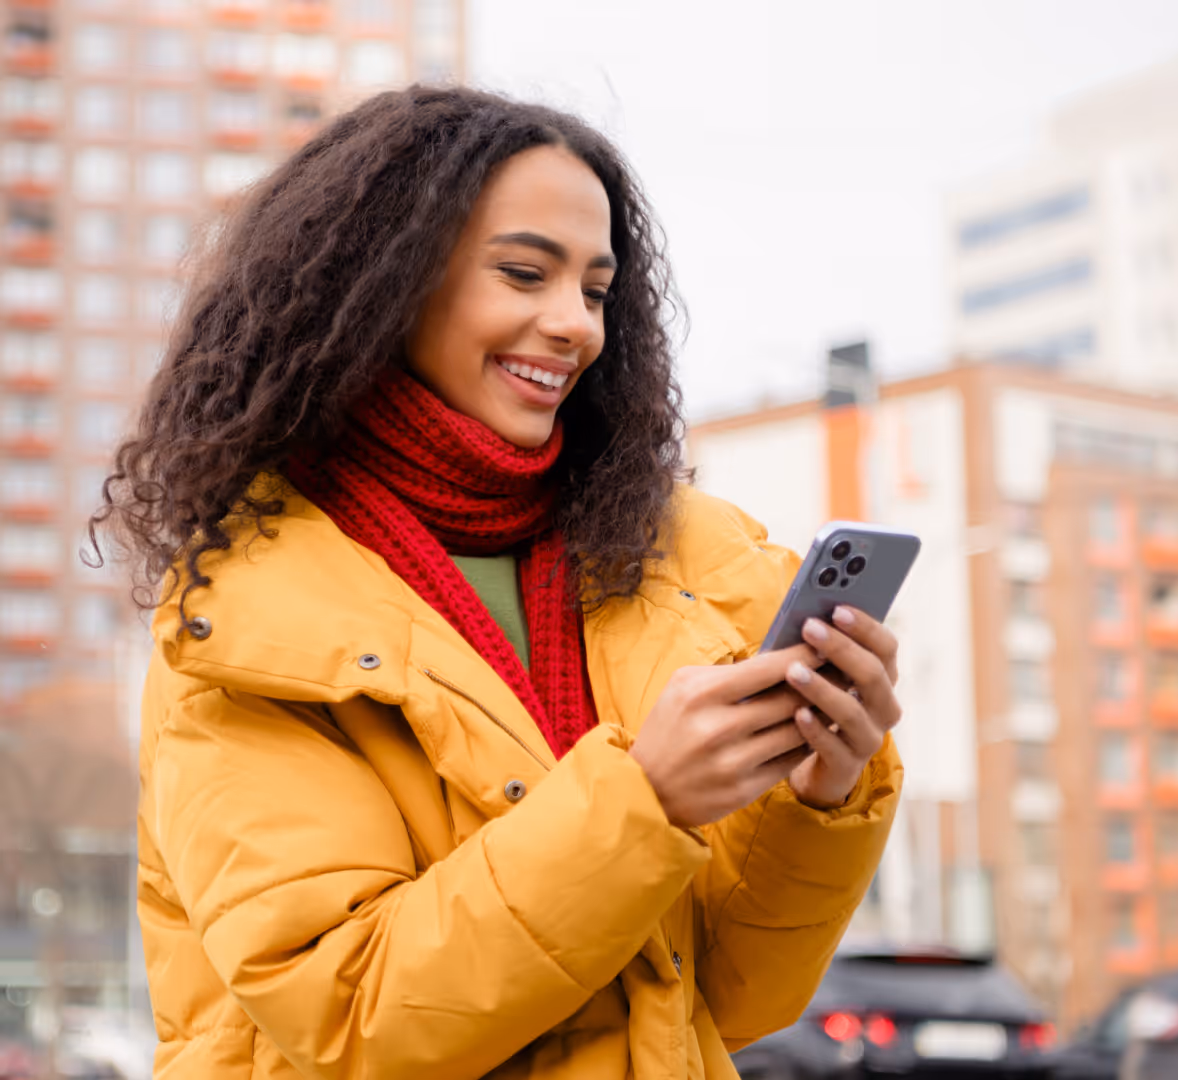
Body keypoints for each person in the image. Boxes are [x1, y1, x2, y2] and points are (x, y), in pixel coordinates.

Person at [92, 85, 903, 1080]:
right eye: (525, 273)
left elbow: (730, 999)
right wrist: (643, 799)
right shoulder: (249, 616)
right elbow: (354, 1014)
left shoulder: (673, 567)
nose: (574, 325)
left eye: (597, 292)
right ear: (385, 279)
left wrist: (817, 797)